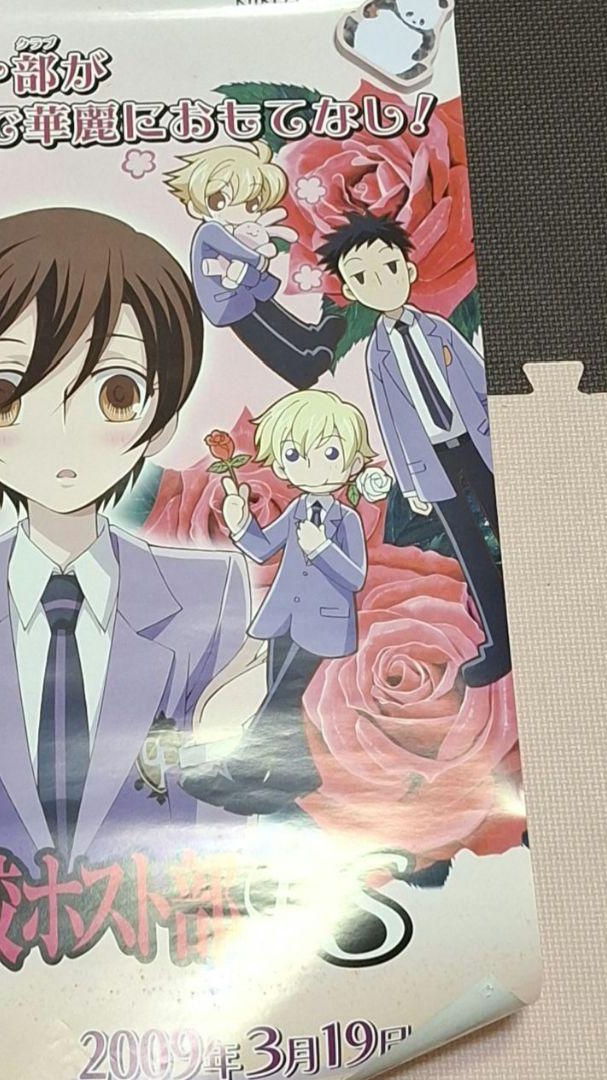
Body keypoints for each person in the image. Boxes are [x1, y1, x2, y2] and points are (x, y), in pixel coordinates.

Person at [0, 208, 262, 869]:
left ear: (161, 420)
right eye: (3, 399)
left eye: (116, 393)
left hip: (151, 914)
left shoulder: (207, 596)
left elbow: (225, 852)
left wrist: (220, 741)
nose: (62, 439)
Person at [318, 211, 510, 686]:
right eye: (362, 278)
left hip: (479, 444)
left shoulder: (440, 330)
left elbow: (479, 379)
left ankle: (541, 617)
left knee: (512, 530)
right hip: (432, 465)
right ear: (350, 292)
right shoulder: (378, 354)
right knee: (471, 553)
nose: (380, 283)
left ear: (408, 268)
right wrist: (409, 483)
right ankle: (501, 643)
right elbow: (392, 422)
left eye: (387, 268)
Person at [180, 390, 371, 817]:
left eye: (330, 454)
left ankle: (240, 768)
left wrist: (321, 548)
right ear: (283, 465)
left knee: (280, 700)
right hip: (283, 618)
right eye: (295, 455)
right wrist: (240, 524)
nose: (312, 467)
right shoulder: (299, 508)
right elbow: (264, 548)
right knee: (283, 700)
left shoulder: (346, 519)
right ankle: (297, 773)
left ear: (354, 463)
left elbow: (355, 576)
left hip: (322, 625)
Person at [165, 145, 346, 388]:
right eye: (219, 200)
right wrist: (259, 251)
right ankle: (300, 368)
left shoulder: (231, 229)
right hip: (225, 302)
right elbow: (242, 253)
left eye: (251, 205)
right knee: (263, 334)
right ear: (197, 206)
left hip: (243, 287)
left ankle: (311, 338)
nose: (238, 211)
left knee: (273, 315)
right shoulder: (211, 230)